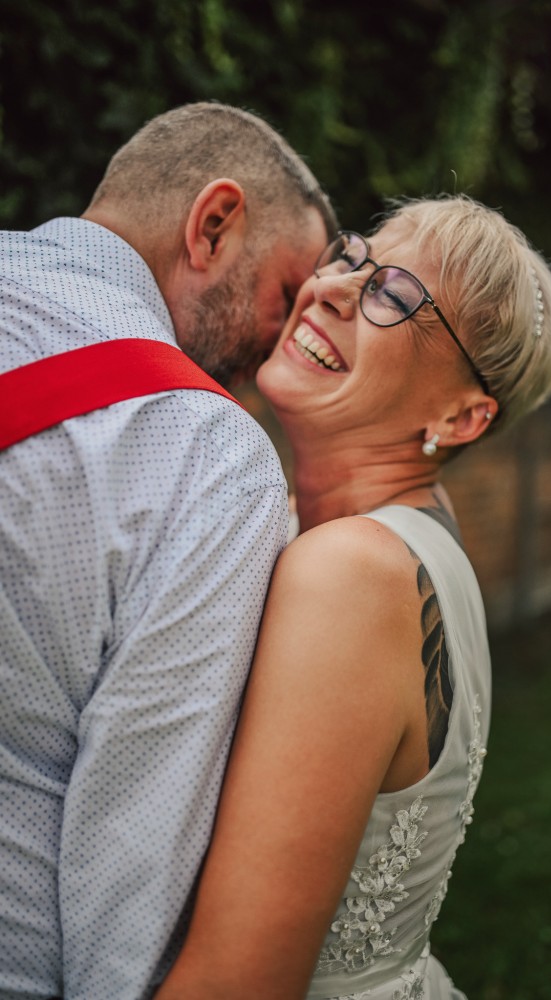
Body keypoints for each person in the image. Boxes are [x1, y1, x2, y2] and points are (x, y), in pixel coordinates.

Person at [155, 194, 551, 1000]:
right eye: (354, 257)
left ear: (461, 417)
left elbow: (236, 983)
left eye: (395, 297)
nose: (334, 287)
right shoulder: (411, 536)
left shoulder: (354, 573)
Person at [0, 101, 335, 1000]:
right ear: (214, 224)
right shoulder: (208, 454)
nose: (281, 346)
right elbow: (135, 846)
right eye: (285, 294)